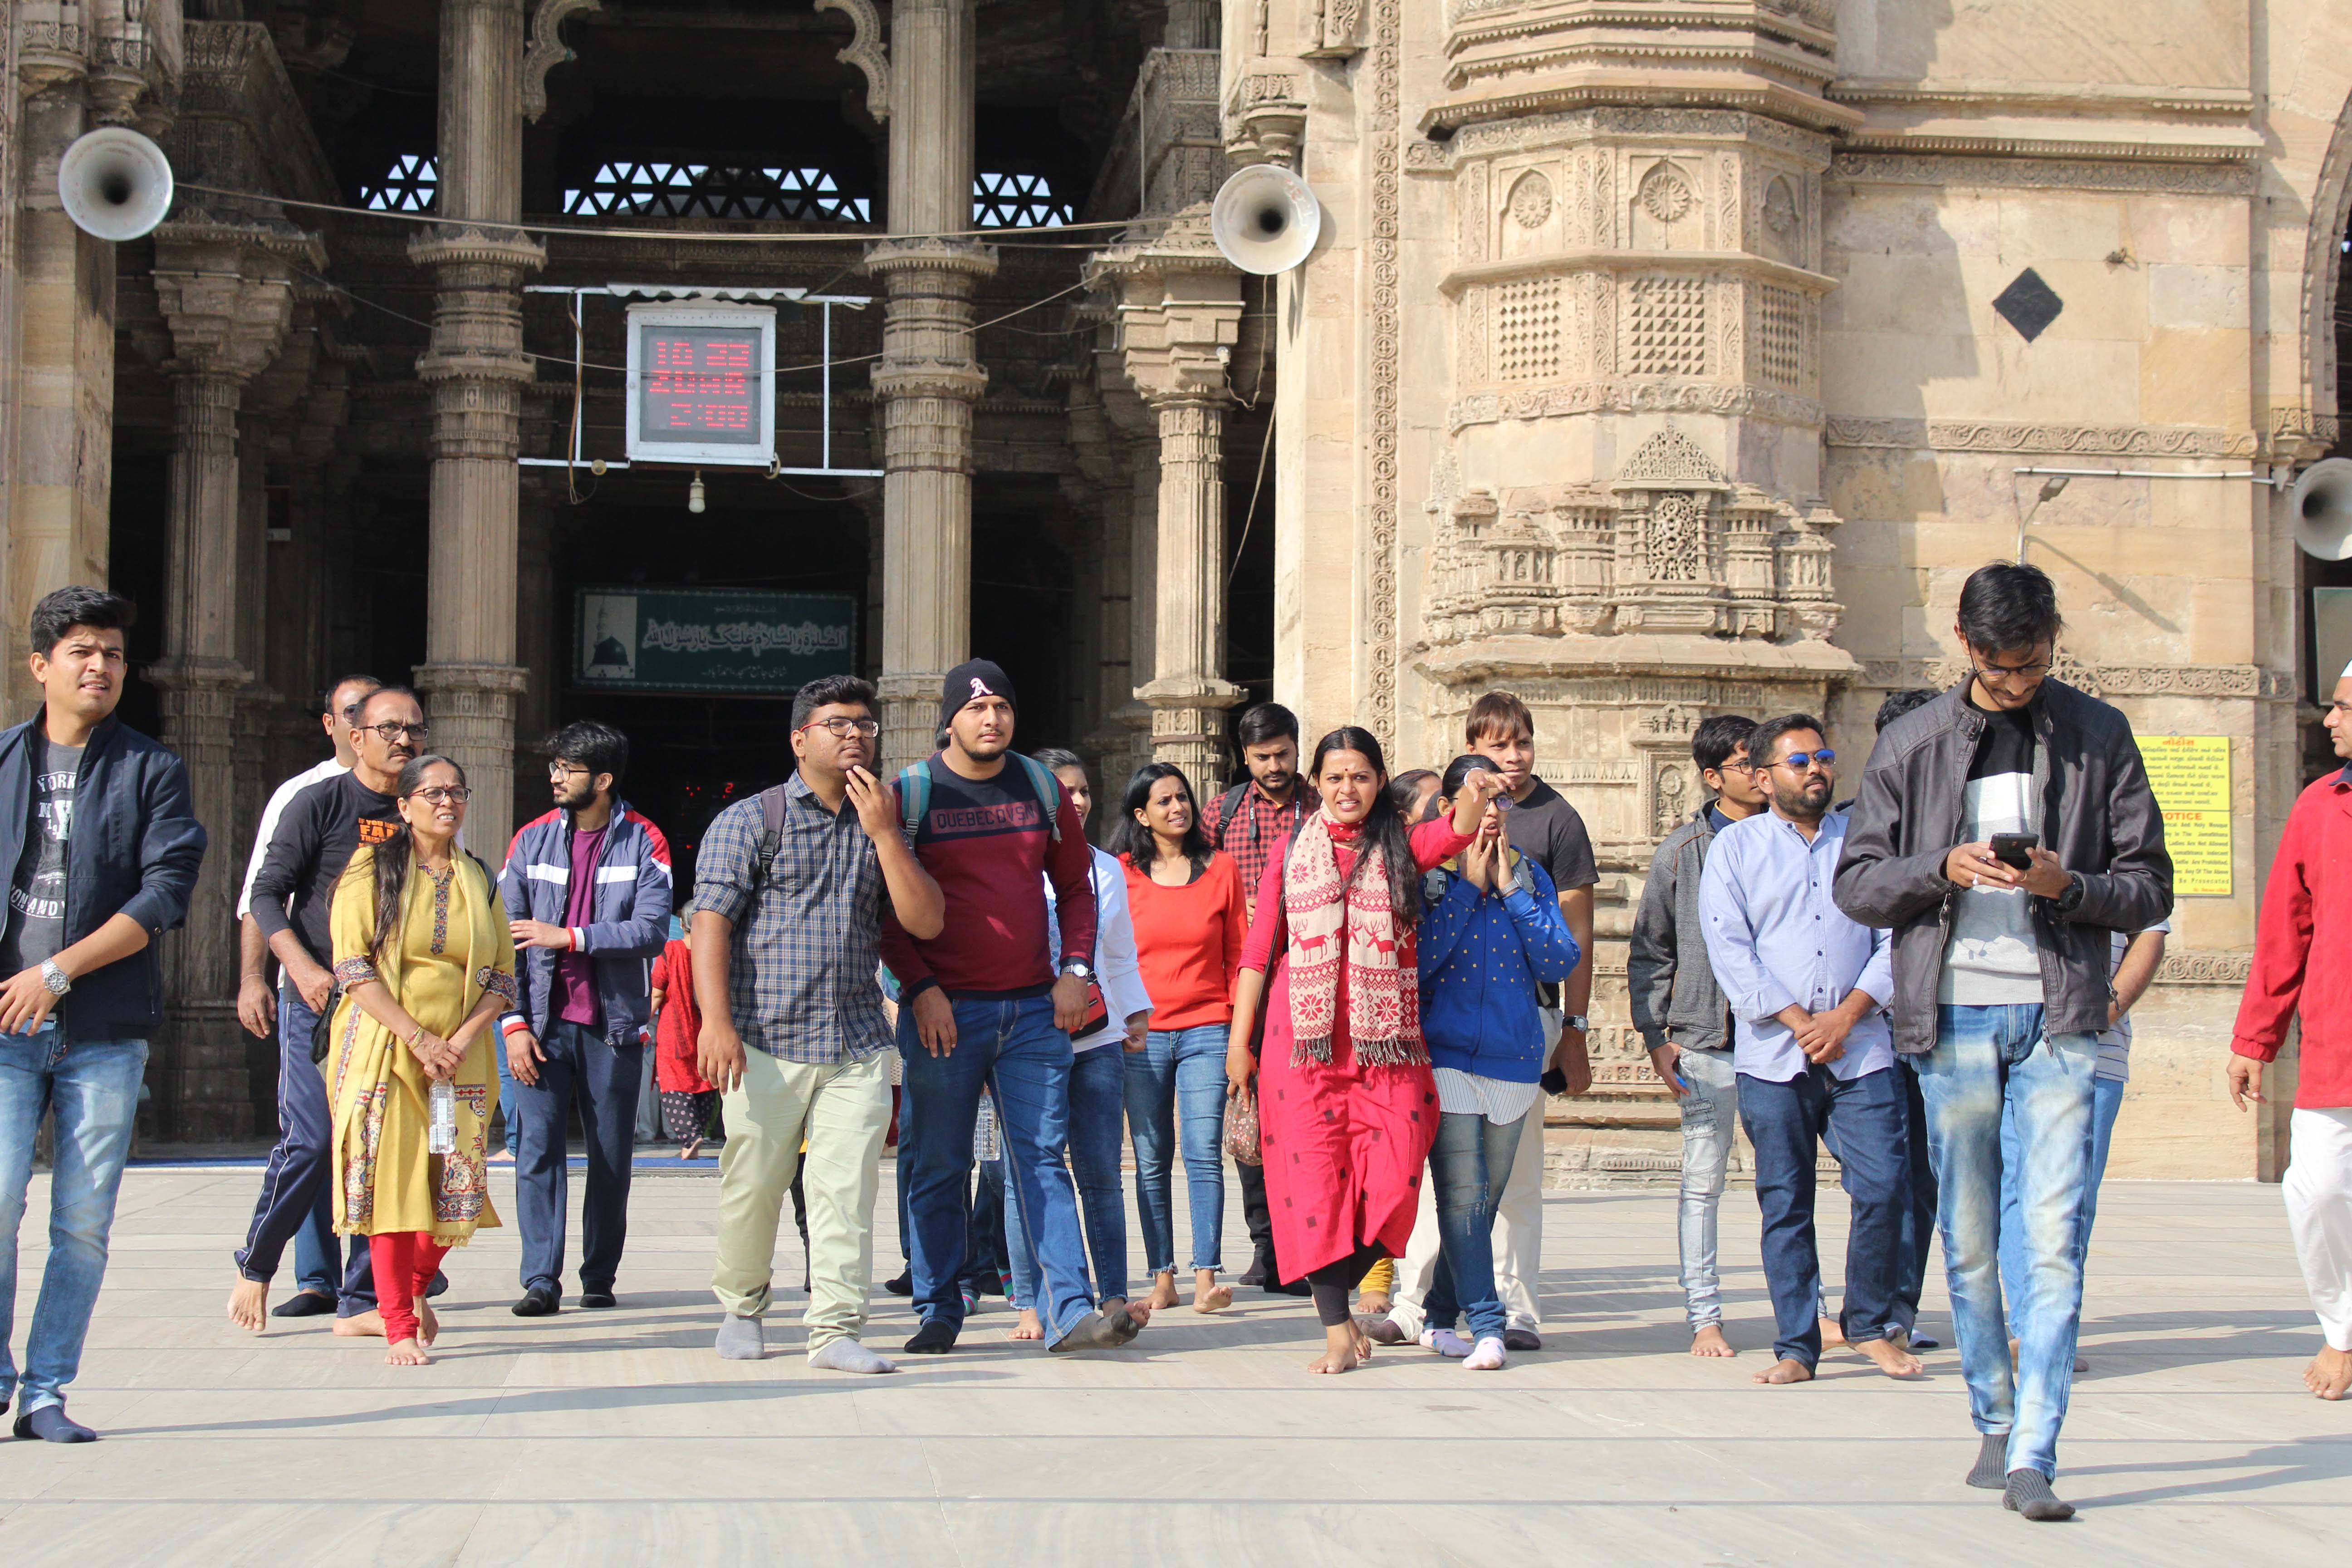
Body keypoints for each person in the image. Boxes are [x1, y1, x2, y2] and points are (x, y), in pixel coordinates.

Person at [1836, 561, 2171, 1522]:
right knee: (1972, 1239)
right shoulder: (1914, 742)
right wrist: (1940, 867)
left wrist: (2067, 887)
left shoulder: (2099, 735)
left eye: (2034, 664)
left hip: (2064, 1011)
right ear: (1967, 646)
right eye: (2002, 667)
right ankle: (1992, 1412)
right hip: (1952, 1019)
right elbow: (1858, 885)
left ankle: (2036, 1450)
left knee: (2055, 1238)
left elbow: (2151, 886)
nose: (2019, 682)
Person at [1225, 726, 1507, 1374]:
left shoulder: (1402, 845)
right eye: (1333, 778)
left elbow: (1458, 831)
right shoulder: (1291, 851)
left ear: (1379, 782)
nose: (1346, 789)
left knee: (1394, 1180)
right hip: (1303, 1048)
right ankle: (1334, 1328)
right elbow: (1258, 953)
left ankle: (1348, 1303)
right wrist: (1238, 1046)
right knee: (1314, 1188)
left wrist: (1475, 792)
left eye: (1359, 776)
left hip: (1387, 1051)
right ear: (1316, 784)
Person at [882, 661, 1140, 1356]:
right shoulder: (911, 794)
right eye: (975, 708)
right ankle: (939, 1306)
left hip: (1032, 1013)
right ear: (949, 718)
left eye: (1001, 705)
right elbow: (886, 912)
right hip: (945, 1014)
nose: (990, 718)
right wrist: (920, 989)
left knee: (1040, 1162)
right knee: (938, 1164)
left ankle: (1070, 1313)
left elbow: (1079, 889)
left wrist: (1076, 970)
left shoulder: (1039, 786)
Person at [692, 674, 943, 1373]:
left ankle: (834, 1330)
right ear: (800, 739)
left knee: (845, 1193)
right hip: (763, 1041)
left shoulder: (887, 819)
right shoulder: (751, 821)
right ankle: (742, 1307)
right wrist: (716, 1023)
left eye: (865, 724)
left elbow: (924, 921)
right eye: (838, 724)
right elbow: (709, 923)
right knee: (754, 1186)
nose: (856, 734)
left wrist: (885, 835)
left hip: (857, 1042)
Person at [0, 588, 204, 1443]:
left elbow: (166, 891)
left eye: (113, 654)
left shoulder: (150, 769)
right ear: (42, 665)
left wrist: (58, 970)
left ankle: (45, 1391)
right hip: (6, 1030)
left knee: (81, 1224)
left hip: (104, 1030)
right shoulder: (4, 760)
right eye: (83, 651)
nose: (101, 666)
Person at [1701, 714, 1920, 1388]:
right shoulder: (1735, 851)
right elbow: (1730, 950)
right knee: (1787, 1201)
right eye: (1798, 762)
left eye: (1823, 757)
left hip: (1861, 1048)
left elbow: (1896, 939)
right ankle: (1798, 1344)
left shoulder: (1864, 845)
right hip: (1775, 1054)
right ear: (1763, 778)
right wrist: (1801, 1022)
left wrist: (1848, 1016)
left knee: (1887, 1185)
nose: (1816, 770)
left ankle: (1868, 1323)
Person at [1385, 692, 1594, 1352]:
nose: (1494, 810)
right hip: (1446, 1055)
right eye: (1480, 797)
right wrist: (1470, 888)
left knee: (1490, 1195)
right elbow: (1422, 964)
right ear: (1452, 809)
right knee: (1460, 1192)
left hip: (1514, 1053)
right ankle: (1486, 1320)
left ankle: (1444, 1313)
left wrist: (1506, 887)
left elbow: (1562, 953)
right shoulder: (1433, 881)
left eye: (1500, 799)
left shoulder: (1529, 872)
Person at [231, 684, 431, 1336]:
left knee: (382, 1151)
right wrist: (297, 968)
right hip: (320, 1002)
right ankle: (258, 1264)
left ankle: (364, 1300)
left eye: (415, 729)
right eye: (390, 728)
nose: (405, 740)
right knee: (312, 1142)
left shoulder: (423, 810)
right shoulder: (318, 803)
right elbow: (265, 895)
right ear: (356, 735)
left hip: (394, 1010)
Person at [325, 755, 514, 1367]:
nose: (447, 803)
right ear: (403, 807)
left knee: (453, 1184)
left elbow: (503, 976)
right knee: (393, 1190)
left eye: (457, 791)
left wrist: (457, 1040)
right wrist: (418, 1039)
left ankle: (412, 1286)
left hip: (460, 1056)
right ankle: (398, 1325)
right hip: (386, 1049)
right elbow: (353, 970)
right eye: (432, 793)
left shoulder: (480, 877)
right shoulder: (369, 867)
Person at [499, 721, 673, 1315]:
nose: (554, 776)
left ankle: (599, 1275)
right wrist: (513, 1025)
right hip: (541, 1027)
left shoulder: (645, 840)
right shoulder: (530, 841)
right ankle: (539, 1281)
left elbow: (652, 930)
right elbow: (502, 941)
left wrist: (567, 936)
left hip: (613, 1027)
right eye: (554, 765)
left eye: (566, 768)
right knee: (537, 1150)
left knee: (610, 1154)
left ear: (601, 780)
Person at [2228, 657, 2352, 1402]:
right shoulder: (2318, 805)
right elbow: (2283, 929)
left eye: (2339, 708)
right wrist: (2253, 1040)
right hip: (2335, 1050)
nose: (2327, 720)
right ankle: (2340, 1327)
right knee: (2313, 1190)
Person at [999, 750, 1152, 1338]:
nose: (1079, 800)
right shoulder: (1011, 866)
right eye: (1066, 790)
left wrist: (1135, 1014)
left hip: (1099, 1039)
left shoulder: (1104, 869)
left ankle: (1111, 1296)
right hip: (1027, 1041)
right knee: (1028, 1173)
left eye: (1085, 790)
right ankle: (1032, 1301)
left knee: (1099, 1171)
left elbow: (1117, 953)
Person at [1628, 713, 1759, 1357]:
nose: (1762, 775)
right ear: (1712, 778)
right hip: (1708, 1040)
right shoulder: (1684, 852)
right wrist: (1657, 1035)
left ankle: (1809, 1307)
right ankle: (1704, 1315)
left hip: (1781, 1041)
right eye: (1747, 764)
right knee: (1703, 1181)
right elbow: (1651, 949)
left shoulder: (1792, 840)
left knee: (1786, 1182)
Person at [1114, 761, 1245, 1317]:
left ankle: (1205, 1278)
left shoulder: (1222, 869)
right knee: (1149, 1159)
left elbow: (1240, 958)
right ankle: (1161, 1277)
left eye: (1183, 798)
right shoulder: (1120, 873)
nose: (1178, 808)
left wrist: (1241, 1037)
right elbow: (1110, 955)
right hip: (1141, 1034)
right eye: (1164, 801)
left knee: (1202, 1154)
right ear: (1142, 815)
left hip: (1207, 1030)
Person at [1202, 702, 1317, 1297]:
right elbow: (1190, 882)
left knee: (1303, 1123)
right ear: (1243, 757)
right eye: (1263, 757)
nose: (1275, 766)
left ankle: (1308, 1248)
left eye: (1283, 755)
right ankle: (1266, 1247)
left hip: (1311, 986)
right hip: (1241, 988)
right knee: (1247, 1119)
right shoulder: (1221, 814)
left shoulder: (1322, 808)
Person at [1870, 688, 1945, 1355]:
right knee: (1877, 1178)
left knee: (1923, 1177)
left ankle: (1896, 1309)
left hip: (1937, 1024)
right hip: (1861, 1030)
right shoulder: (1855, 829)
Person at [1356, 769, 1442, 1315]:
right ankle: (1373, 1276)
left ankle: (1439, 1288)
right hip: (1382, 1027)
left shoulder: (1460, 871)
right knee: (1375, 1161)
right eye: (1435, 809)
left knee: (1417, 1167)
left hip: (1436, 1028)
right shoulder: (1388, 867)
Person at [649, 901, 722, 1158]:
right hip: (706, 1030)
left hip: (674, 1033)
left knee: (672, 1085)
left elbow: (657, 994)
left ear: (681, 924)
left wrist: (642, 1024)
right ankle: (696, 1133)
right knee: (704, 1081)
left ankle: (690, 1136)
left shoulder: (670, 950)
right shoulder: (713, 953)